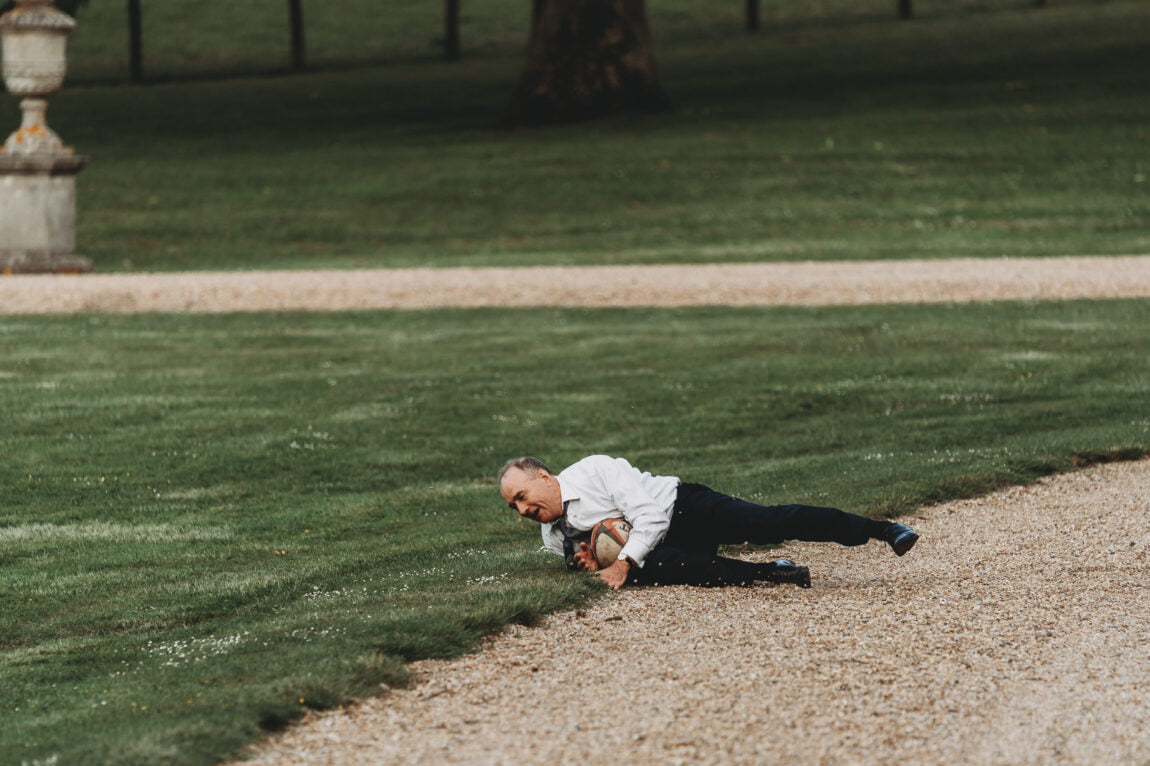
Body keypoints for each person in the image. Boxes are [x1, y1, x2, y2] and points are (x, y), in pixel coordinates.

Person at [498, 454, 919, 591]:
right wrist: (593, 566)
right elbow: (592, 565)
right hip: (666, 543)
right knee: (668, 568)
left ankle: (881, 530)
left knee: (766, 522)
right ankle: (773, 573)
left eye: (522, 497)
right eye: (513, 507)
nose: (522, 509)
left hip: (684, 506)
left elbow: (648, 516)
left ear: (544, 478)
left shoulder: (595, 471)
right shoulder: (553, 536)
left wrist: (623, 562)